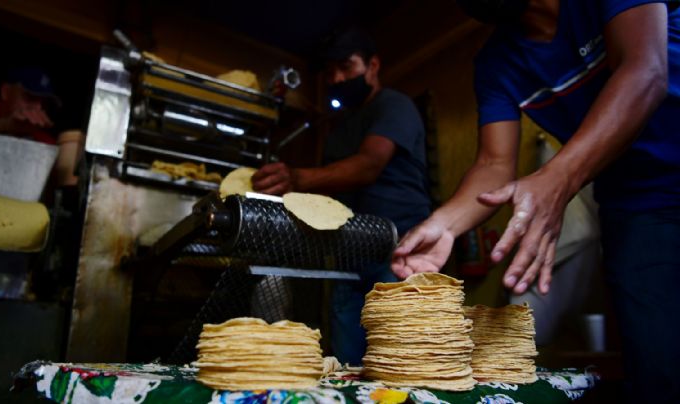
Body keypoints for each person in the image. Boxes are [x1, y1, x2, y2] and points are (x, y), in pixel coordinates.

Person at [391, 0, 680, 400]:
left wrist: (557, 179)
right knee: (657, 370)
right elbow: (494, 164)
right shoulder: (496, 63)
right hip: (636, 208)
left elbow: (644, 70)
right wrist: (444, 225)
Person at [251, 28, 432, 365]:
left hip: (401, 248)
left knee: (397, 352)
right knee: (348, 353)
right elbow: (328, 190)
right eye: (331, 71)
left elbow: (368, 166)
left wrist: (297, 177)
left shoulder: (394, 106)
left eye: (346, 67)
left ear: (373, 65)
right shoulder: (338, 129)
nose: (337, 78)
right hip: (350, 251)